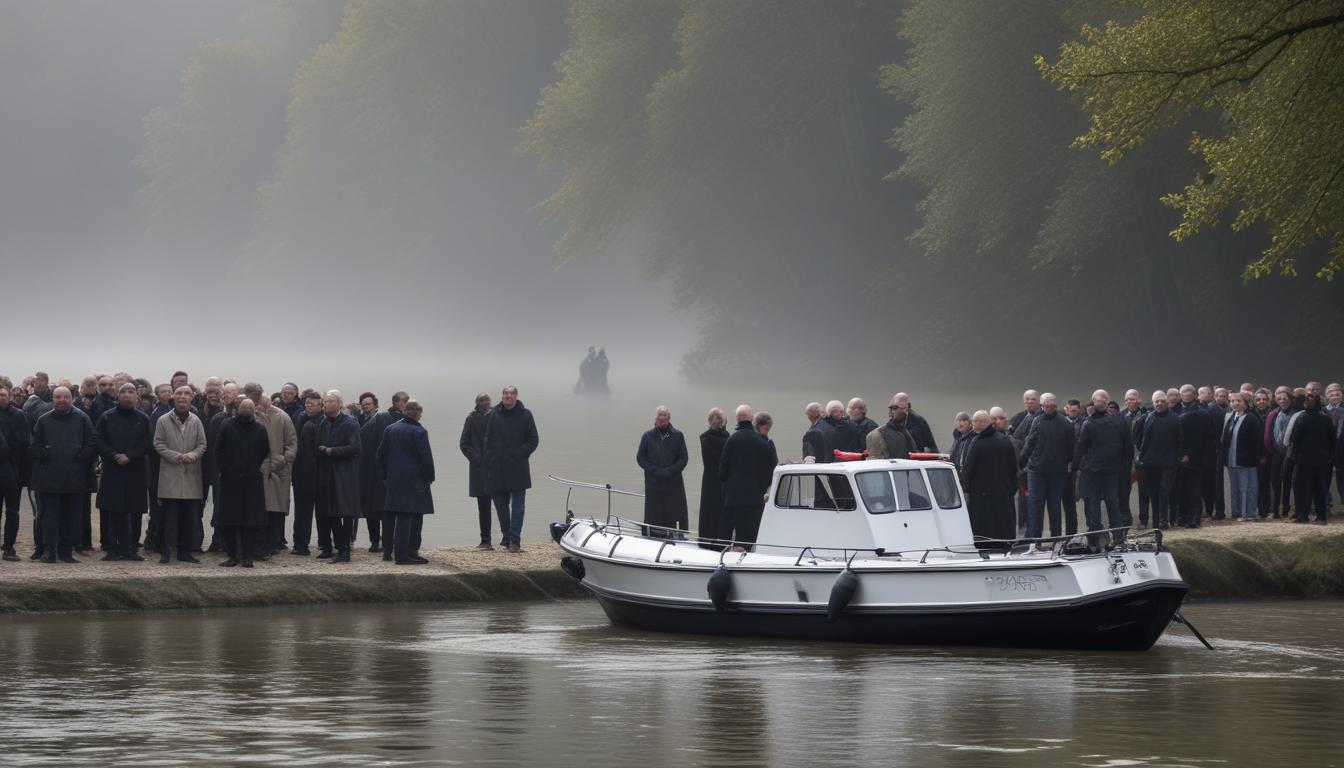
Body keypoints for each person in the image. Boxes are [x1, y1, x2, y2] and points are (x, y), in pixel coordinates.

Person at [30, 387, 95, 563]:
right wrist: (45, 453)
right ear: (52, 399)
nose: (61, 400)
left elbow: (91, 444)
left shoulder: (82, 418)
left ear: (71, 398)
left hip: (74, 477)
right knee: (49, 516)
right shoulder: (43, 420)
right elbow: (34, 446)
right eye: (57, 397)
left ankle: (66, 552)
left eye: (65, 397)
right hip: (49, 478)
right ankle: (49, 551)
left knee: (72, 517)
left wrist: (79, 458)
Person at [94, 384, 151, 561]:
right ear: (117, 397)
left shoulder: (144, 418)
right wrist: (113, 455)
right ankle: (112, 548)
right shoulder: (107, 417)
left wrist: (130, 456)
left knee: (134, 510)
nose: (127, 395)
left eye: (131, 392)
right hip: (112, 468)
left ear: (137, 397)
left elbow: (147, 442)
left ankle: (131, 549)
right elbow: (98, 439)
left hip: (135, 469)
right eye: (123, 392)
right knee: (113, 510)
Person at [153, 386, 207, 564]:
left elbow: (202, 445)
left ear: (192, 398)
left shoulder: (196, 420)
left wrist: (192, 456)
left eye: (186, 394)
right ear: (173, 397)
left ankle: (185, 552)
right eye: (179, 394)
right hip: (170, 475)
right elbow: (158, 444)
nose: (183, 397)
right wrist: (176, 456)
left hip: (191, 475)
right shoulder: (162, 420)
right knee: (169, 518)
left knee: (189, 518)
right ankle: (166, 551)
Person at [214, 398, 270, 567]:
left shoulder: (260, 429)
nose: (246, 409)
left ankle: (248, 557)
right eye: (244, 407)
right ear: (237, 409)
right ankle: (233, 556)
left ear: (254, 410)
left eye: (250, 407)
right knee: (229, 520)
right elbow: (218, 449)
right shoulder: (226, 425)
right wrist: (223, 468)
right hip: (230, 480)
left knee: (250, 522)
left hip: (252, 481)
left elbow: (264, 451)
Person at [483, 385, 539, 553]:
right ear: (502, 396)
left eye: (511, 394)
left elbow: (533, 440)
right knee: (501, 506)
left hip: (518, 467)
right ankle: (507, 536)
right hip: (497, 467)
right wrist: (490, 459)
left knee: (518, 507)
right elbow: (487, 439)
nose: (508, 396)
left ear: (516, 397)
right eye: (505, 394)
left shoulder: (526, 415)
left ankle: (515, 541)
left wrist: (519, 454)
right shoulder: (493, 414)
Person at [378, 400, 434, 564]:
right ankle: (404, 555)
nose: (421, 416)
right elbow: (426, 458)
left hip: (394, 479)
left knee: (392, 513)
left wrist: (385, 476)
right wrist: (429, 477)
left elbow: (380, 455)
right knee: (409, 515)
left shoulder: (390, 429)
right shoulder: (419, 432)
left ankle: (389, 551)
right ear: (416, 412)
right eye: (420, 413)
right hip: (415, 480)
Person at [1074, 389, 1133, 546]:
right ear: (1108, 402)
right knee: (1113, 503)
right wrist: (1123, 467)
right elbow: (1128, 448)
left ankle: (1095, 537)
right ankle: (1118, 537)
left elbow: (1080, 448)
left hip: (1093, 470)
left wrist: (1074, 467)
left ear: (1093, 402)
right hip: (1112, 470)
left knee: (1092, 504)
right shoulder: (1120, 422)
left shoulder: (1089, 423)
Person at [249, 383, 297, 558]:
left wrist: (283, 459)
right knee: (259, 511)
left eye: (267, 403)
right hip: (258, 472)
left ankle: (272, 544)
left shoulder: (283, 417)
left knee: (276, 512)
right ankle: (259, 547)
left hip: (279, 471)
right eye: (261, 404)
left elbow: (292, 443)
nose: (264, 407)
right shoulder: (251, 416)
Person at [315, 391, 363, 563]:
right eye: (325, 401)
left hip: (344, 474)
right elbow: (317, 445)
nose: (325, 404)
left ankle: (345, 550)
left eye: (329, 401)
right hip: (326, 473)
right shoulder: (323, 423)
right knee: (330, 512)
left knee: (346, 512)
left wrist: (331, 451)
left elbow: (355, 448)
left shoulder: (350, 423)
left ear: (339, 404)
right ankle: (333, 547)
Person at [1019, 393, 1075, 540]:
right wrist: (1021, 463)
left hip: (1048, 471)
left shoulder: (1047, 422)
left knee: (1046, 506)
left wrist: (1021, 463)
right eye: (1046, 405)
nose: (1049, 407)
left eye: (1051, 405)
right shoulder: (1062, 423)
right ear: (1043, 406)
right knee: (1045, 506)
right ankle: (1043, 540)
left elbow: (1029, 445)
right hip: (1044, 471)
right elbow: (1029, 444)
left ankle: (1046, 540)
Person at [718, 404, 774, 547]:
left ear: (737, 419)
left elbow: (722, 470)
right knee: (751, 534)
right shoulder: (761, 441)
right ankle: (750, 558)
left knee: (735, 535)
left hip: (734, 497)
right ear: (751, 418)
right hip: (754, 497)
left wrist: (728, 486)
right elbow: (771, 467)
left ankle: (733, 560)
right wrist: (762, 488)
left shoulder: (731, 440)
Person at [960, 411, 1017, 546]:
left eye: (974, 421)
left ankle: (985, 550)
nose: (972, 424)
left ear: (982, 423)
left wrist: (966, 490)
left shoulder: (977, 443)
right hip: (1004, 493)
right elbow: (1013, 467)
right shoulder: (1004, 440)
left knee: (984, 530)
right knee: (1003, 525)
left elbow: (968, 469)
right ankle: (1005, 546)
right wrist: (1011, 488)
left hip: (981, 495)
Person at [636, 405, 689, 537]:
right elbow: (640, 458)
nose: (662, 418)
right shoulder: (647, 436)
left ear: (669, 418)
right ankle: (652, 534)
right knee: (654, 512)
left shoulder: (678, 435)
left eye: (664, 415)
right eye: (659, 415)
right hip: (653, 482)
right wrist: (656, 471)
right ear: (655, 418)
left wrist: (669, 471)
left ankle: (674, 535)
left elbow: (683, 458)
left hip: (673, 482)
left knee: (672, 511)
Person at [459, 393, 499, 550]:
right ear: (476, 403)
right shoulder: (471, 418)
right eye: (482, 400)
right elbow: (464, 444)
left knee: (503, 505)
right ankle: (485, 540)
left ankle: (509, 539)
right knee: (483, 506)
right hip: (479, 469)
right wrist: (477, 459)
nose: (485, 402)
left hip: (498, 468)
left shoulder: (497, 417)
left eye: (487, 399)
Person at [1290, 393, 1334, 524]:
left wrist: (1293, 456)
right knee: (1320, 488)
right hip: (1321, 459)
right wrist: (1329, 456)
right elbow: (1332, 440)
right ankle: (1321, 517)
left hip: (1303, 460)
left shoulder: (1302, 418)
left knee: (1304, 488)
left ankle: (1303, 516)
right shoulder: (1326, 419)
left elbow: (1294, 440)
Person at [291, 390, 323, 556]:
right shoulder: (300, 418)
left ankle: (324, 543)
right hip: (301, 473)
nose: (309, 406)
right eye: (307, 404)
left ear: (320, 404)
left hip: (318, 473)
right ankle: (301, 544)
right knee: (302, 511)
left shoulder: (324, 422)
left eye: (312, 404)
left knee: (322, 511)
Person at [1222, 392, 1263, 522]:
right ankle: (1237, 512)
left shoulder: (1252, 418)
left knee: (1248, 488)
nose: (1235, 403)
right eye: (1232, 401)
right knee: (1235, 489)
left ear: (1246, 403)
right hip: (1232, 460)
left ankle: (1249, 514)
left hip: (1246, 461)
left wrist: (1254, 458)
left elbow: (1257, 441)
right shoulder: (1232, 417)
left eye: (1238, 401)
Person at [0, 385, 30, 561]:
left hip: (12, 470)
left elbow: (25, 440)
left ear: (9, 396)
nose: (1, 398)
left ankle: (9, 548)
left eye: (3, 395)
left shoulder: (19, 415)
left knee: (13, 511)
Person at [1176, 386, 1211, 528]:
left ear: (1195, 394)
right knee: (1184, 489)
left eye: (1187, 392)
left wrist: (1187, 454)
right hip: (1187, 458)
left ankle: (1194, 518)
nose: (1184, 395)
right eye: (1182, 392)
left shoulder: (1200, 413)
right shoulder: (1183, 411)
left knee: (1194, 490)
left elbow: (1204, 438)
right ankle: (1185, 517)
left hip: (1193, 458)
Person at [697, 408, 729, 549]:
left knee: (722, 509)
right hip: (711, 479)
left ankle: (721, 540)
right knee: (709, 509)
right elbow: (720, 455)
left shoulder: (728, 436)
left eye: (721, 418)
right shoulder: (705, 437)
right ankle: (706, 540)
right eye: (717, 418)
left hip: (724, 478)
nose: (720, 421)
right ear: (710, 421)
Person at [1265, 386, 1295, 519]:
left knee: (1289, 481)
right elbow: (1269, 433)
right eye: (1279, 398)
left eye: (1285, 398)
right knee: (1274, 481)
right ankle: (1275, 510)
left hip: (1291, 454)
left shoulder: (1296, 413)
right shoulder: (1273, 413)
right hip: (1276, 453)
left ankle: (1287, 509)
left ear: (1290, 399)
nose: (1282, 400)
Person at [1121, 389, 1150, 528]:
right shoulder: (1121, 416)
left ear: (1138, 400)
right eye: (1127, 399)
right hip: (1126, 458)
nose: (1129, 402)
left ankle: (1143, 520)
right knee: (1124, 490)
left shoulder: (1146, 415)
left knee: (1144, 491)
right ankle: (1125, 519)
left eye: (1132, 399)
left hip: (1142, 457)